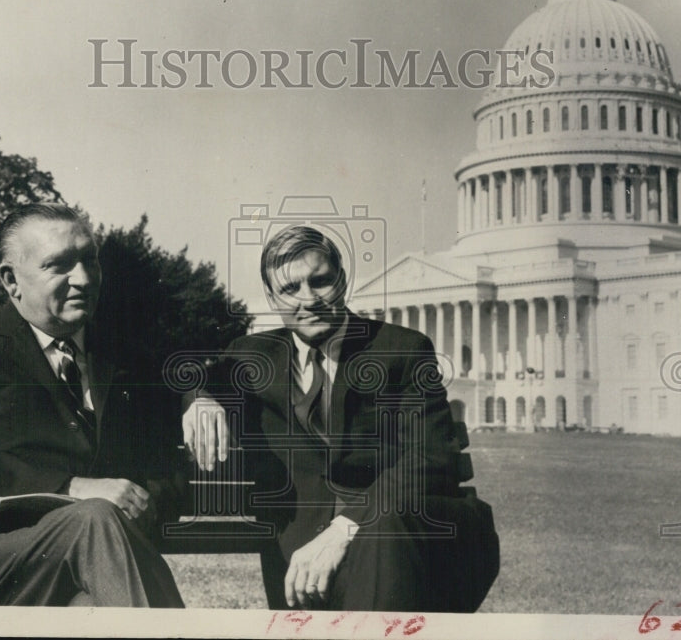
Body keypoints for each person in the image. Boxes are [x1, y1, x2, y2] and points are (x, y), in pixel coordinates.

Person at [183, 225, 499, 612]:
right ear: (271, 297)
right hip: (300, 559)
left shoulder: (402, 349)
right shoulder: (252, 356)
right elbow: (200, 377)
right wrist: (201, 400)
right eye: (290, 289)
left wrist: (345, 528)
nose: (308, 298)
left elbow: (431, 455)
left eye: (320, 281)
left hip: (402, 544)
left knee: (383, 533)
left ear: (343, 280)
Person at [0, 203, 184, 606]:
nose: (85, 279)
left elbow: (167, 470)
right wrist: (70, 489)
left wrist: (147, 498)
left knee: (91, 605)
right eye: (59, 266)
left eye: (90, 260)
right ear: (11, 280)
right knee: (94, 517)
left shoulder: (128, 359)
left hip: (97, 558)